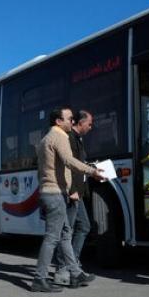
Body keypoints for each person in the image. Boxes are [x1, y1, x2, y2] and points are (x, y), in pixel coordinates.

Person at [30, 107, 105, 293]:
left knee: (65, 234)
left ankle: (75, 272)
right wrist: (92, 171)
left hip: (49, 192)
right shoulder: (60, 137)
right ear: (58, 121)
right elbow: (69, 161)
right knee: (52, 238)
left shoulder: (44, 139)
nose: (72, 122)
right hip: (55, 194)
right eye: (69, 119)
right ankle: (39, 278)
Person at [54, 110, 94, 285]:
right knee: (67, 231)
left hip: (78, 191)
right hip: (72, 192)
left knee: (82, 226)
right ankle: (65, 268)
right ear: (80, 123)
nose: (91, 127)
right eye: (89, 124)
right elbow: (68, 165)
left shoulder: (78, 139)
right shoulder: (69, 139)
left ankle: (72, 265)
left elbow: (78, 164)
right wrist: (71, 190)